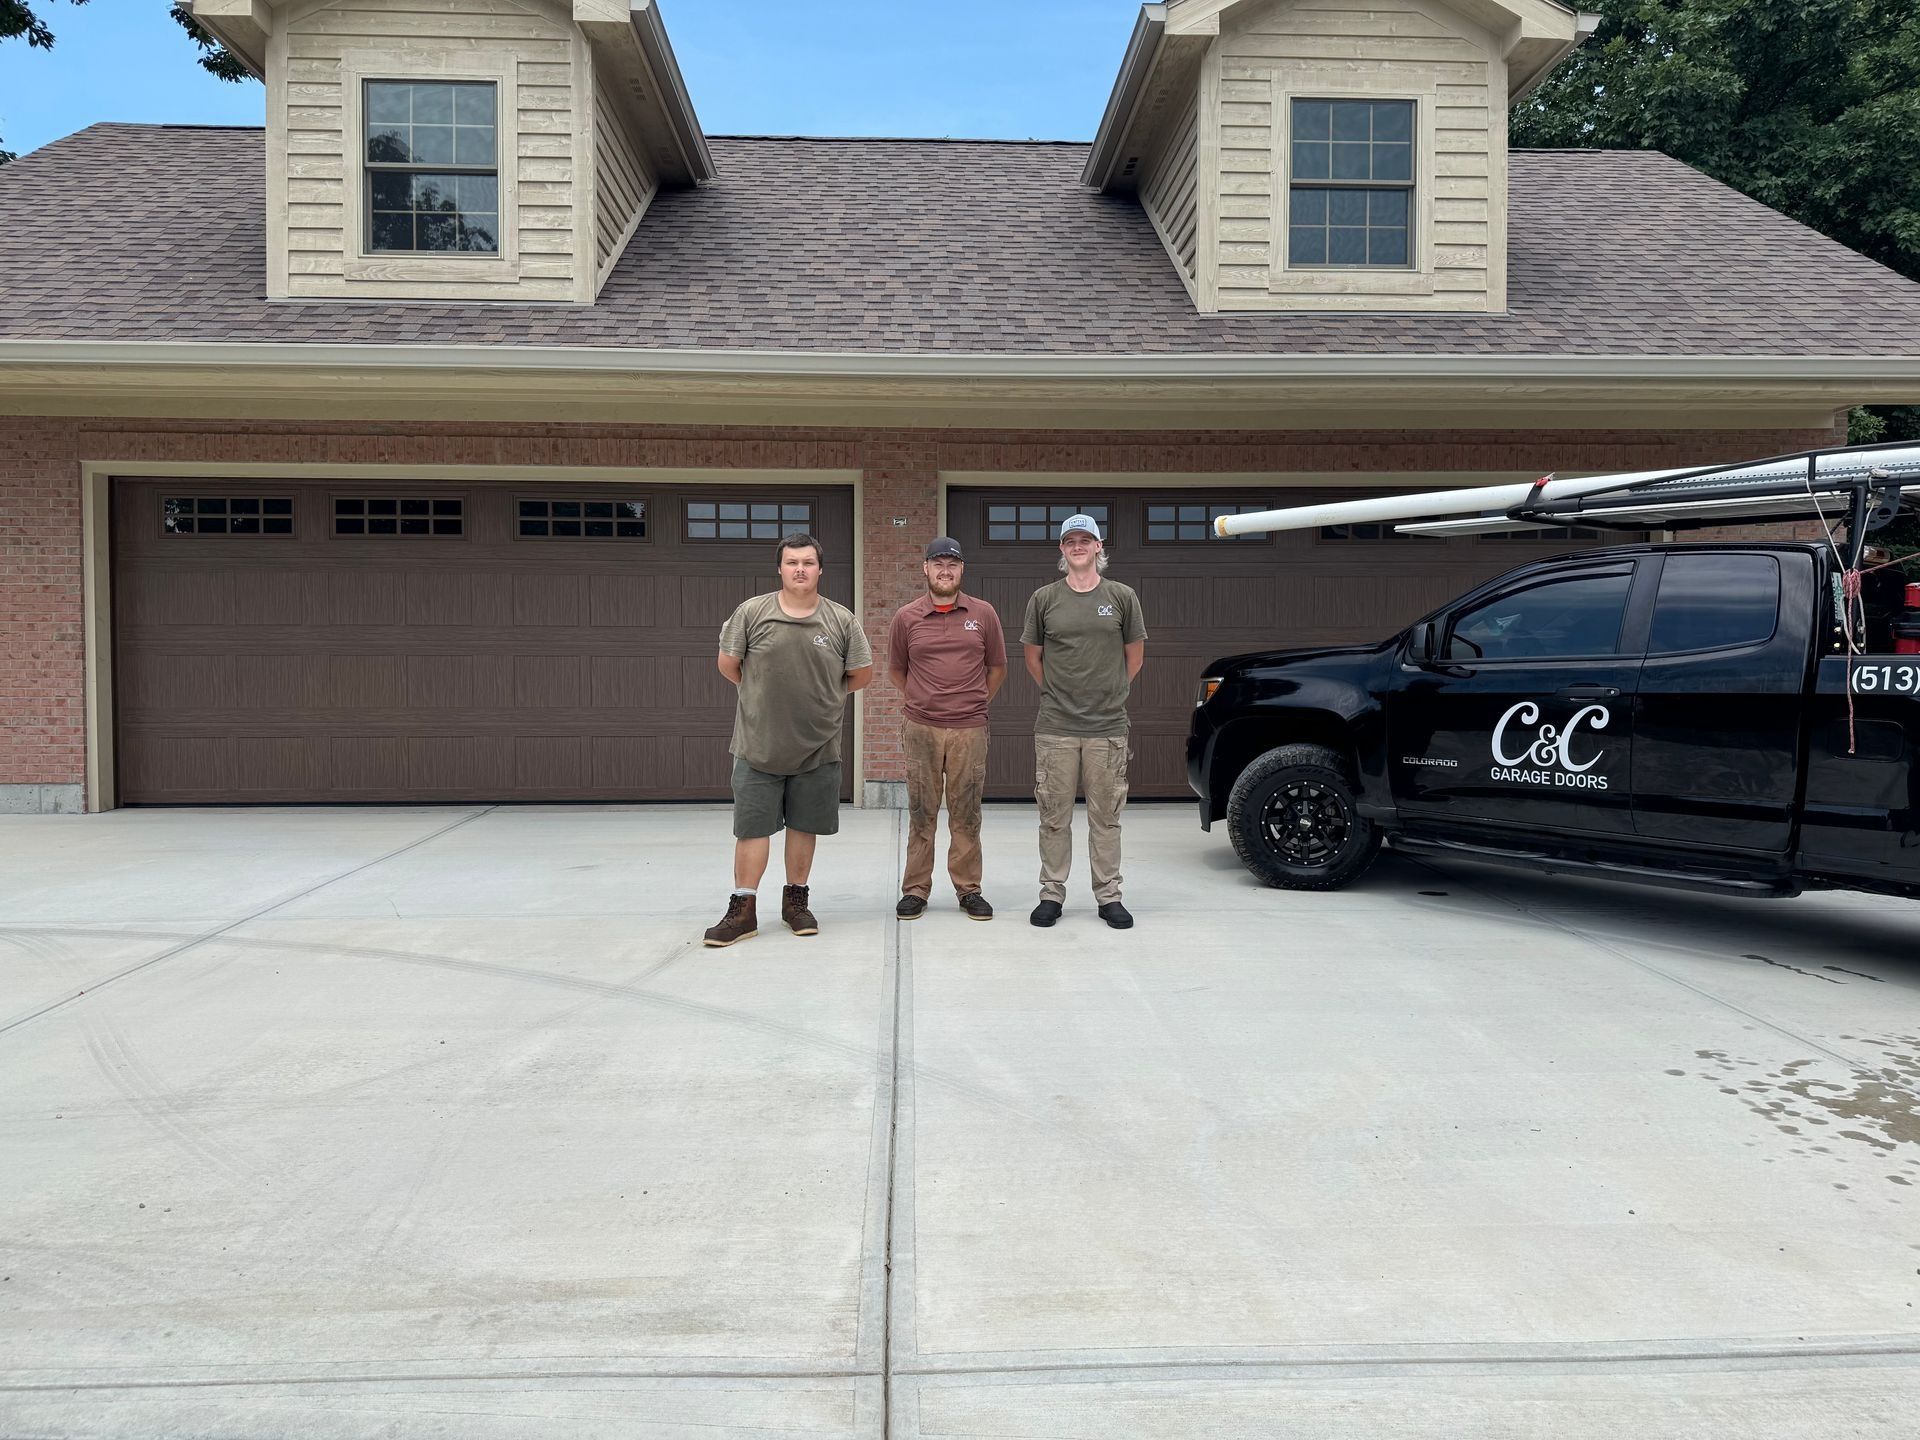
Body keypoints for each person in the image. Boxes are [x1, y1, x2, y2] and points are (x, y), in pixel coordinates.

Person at [705, 532, 873, 947]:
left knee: (803, 826)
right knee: (752, 829)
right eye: (793, 562)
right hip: (758, 745)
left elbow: (862, 674)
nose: (800, 569)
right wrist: (762, 695)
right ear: (779, 568)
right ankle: (743, 910)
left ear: (820, 569)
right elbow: (729, 664)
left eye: (808, 562)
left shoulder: (841, 620)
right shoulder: (751, 613)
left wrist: (823, 699)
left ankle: (795, 903)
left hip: (818, 746)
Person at [1019, 513, 1147, 929]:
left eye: (1084, 539)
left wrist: (1111, 692)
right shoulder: (1044, 599)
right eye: (1070, 540)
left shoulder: (1122, 596)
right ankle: (1051, 893)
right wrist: (1059, 692)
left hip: (1107, 729)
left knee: (1105, 817)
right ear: (1061, 549)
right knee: (1053, 816)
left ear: (1098, 546)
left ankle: (1108, 895)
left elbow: (1135, 655)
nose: (1077, 546)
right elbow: (1033, 658)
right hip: (1056, 727)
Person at [888, 536, 1008, 920]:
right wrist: (925, 700)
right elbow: (896, 669)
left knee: (966, 812)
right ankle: (916, 890)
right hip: (920, 727)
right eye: (937, 563)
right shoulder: (906, 617)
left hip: (969, 729)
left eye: (952, 564)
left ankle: (969, 890)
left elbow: (998, 668)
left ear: (962, 570)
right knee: (922, 811)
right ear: (925, 568)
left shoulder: (983, 613)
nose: (945, 570)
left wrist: (971, 703)